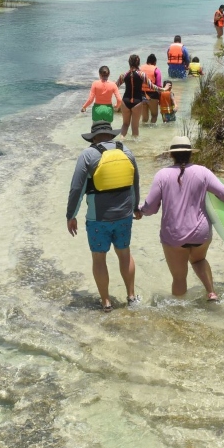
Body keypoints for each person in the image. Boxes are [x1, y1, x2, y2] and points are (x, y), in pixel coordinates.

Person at [137, 137, 224, 301]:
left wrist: (140, 210)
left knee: (179, 278)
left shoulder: (162, 175)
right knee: (199, 260)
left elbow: (150, 207)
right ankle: (211, 293)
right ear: (190, 155)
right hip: (201, 234)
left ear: (171, 155)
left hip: (175, 235)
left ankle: (179, 314)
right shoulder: (203, 172)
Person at [67, 122, 141, 312]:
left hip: (98, 219)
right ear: (111, 135)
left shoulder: (88, 155)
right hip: (124, 216)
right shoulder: (127, 152)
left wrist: (71, 215)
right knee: (125, 255)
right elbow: (135, 184)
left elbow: (77, 188)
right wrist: (134, 208)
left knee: (99, 259)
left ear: (93, 138)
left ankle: (106, 302)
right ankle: (131, 297)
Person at [116, 54, 153, 141]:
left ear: (129, 63)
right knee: (135, 127)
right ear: (138, 63)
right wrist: (164, 89)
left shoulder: (124, 75)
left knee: (125, 125)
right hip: (137, 102)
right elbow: (152, 86)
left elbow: (115, 86)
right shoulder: (142, 74)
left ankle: (121, 141)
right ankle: (135, 149)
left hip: (125, 101)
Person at [139, 54, 163, 124]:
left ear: (147, 61)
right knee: (154, 115)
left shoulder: (140, 69)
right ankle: (152, 131)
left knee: (144, 118)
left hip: (141, 94)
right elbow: (158, 86)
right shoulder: (156, 70)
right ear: (155, 62)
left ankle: (143, 131)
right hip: (152, 95)